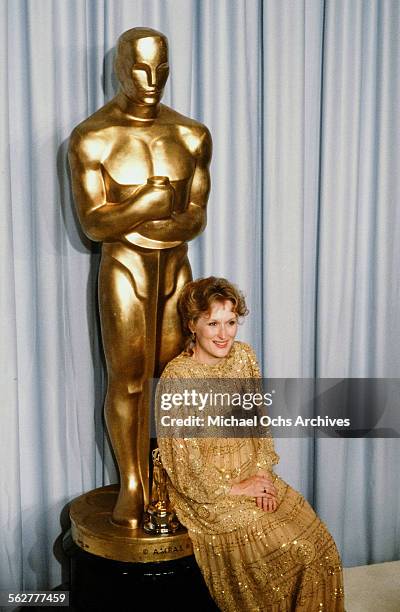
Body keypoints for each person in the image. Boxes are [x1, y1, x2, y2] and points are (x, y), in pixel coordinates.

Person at [68, 27, 212, 528]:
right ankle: (133, 480)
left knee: (173, 380)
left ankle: (167, 479)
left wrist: (142, 213)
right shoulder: (93, 138)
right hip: (125, 267)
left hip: (176, 267)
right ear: (119, 69)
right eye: (141, 69)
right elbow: (92, 223)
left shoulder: (191, 135)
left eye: (162, 68)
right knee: (128, 380)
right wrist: (146, 204)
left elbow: (195, 216)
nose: (153, 80)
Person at [157, 277, 345, 611]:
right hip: (208, 497)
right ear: (192, 325)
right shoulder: (178, 378)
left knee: (322, 547)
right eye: (212, 323)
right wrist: (240, 489)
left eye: (230, 322)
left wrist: (261, 479)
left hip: (253, 478)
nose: (223, 334)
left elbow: (259, 424)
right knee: (299, 551)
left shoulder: (244, 358)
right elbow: (184, 466)